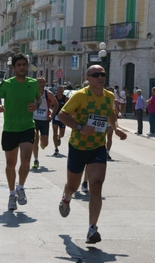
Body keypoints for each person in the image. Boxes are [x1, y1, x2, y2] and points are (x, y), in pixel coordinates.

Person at [57, 65, 127, 244]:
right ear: (88, 78)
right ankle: (66, 198)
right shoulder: (80, 95)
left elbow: (110, 112)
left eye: (103, 74)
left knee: (96, 185)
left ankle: (92, 229)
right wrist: (80, 127)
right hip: (78, 147)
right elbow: (62, 115)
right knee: (73, 186)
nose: (100, 77)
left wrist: (116, 128)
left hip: (97, 147)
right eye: (96, 75)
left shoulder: (109, 96)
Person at [0, 53, 41, 211]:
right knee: (10, 164)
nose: (22, 68)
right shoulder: (7, 84)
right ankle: (12, 194)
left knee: (25, 161)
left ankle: (21, 187)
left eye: (24, 65)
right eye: (19, 65)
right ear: (14, 68)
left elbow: (38, 98)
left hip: (27, 126)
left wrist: (37, 105)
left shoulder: (33, 83)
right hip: (10, 128)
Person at [32, 77, 58, 168]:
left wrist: (51, 115)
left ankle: (42, 141)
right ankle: (36, 160)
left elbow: (56, 104)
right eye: (39, 82)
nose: (41, 83)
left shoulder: (48, 94)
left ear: (45, 83)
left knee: (45, 143)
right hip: (34, 119)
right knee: (34, 140)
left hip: (44, 120)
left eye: (43, 81)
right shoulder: (32, 92)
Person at [52, 85, 69, 156]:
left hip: (62, 117)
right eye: (59, 91)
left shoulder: (66, 98)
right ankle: (56, 148)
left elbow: (69, 107)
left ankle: (59, 137)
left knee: (62, 134)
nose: (60, 92)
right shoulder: (54, 97)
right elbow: (50, 104)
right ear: (57, 91)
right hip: (55, 116)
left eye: (62, 91)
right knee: (55, 131)